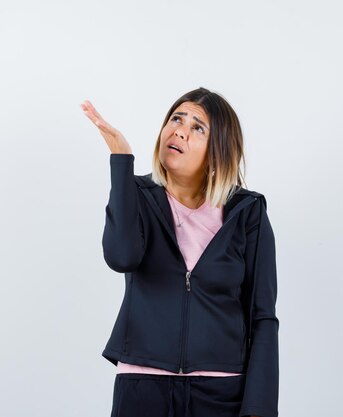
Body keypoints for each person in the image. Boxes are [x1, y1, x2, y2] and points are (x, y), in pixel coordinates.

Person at [81, 87, 279, 417]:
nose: (179, 131)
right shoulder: (138, 196)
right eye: (176, 119)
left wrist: (258, 410)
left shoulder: (247, 212)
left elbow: (262, 317)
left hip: (221, 393)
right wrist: (121, 161)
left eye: (197, 127)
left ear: (218, 151)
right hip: (142, 389)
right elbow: (121, 257)